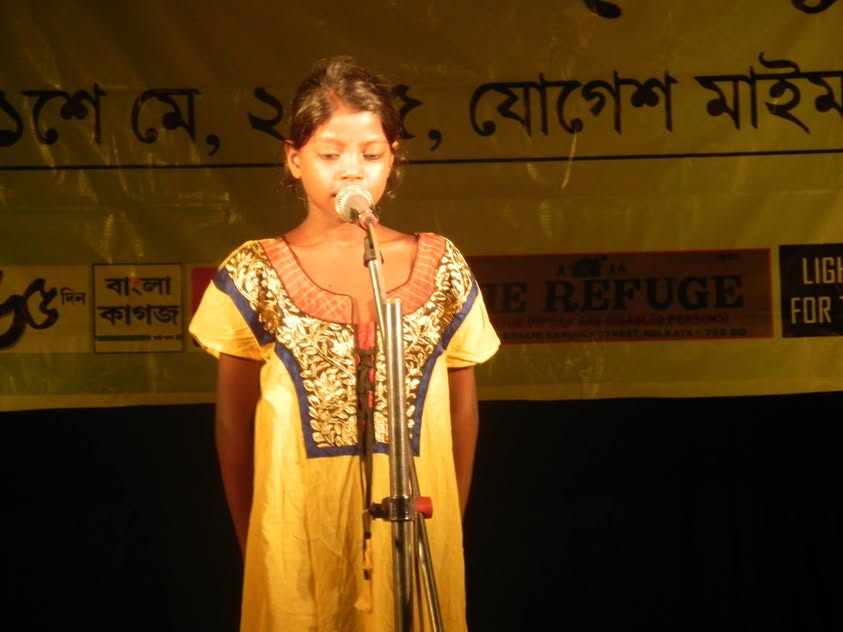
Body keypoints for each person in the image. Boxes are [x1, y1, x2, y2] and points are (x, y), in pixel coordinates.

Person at [189, 55, 500, 631]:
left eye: (371, 154)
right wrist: (258, 546)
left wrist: (442, 533)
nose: (352, 170)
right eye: (330, 155)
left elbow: (463, 415)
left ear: (393, 158)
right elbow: (233, 428)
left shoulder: (442, 266)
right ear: (294, 158)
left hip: (418, 543)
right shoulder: (255, 274)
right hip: (296, 543)